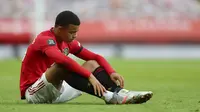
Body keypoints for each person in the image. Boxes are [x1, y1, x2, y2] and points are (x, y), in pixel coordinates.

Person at [20, 10, 153, 104]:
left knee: (91, 63)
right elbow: (62, 60)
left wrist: (111, 71)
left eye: (76, 32)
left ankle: (119, 92)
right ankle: (109, 96)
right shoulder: (44, 39)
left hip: (58, 91)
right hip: (34, 92)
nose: (75, 35)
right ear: (60, 29)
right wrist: (89, 76)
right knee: (62, 66)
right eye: (72, 32)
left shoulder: (68, 42)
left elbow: (96, 57)